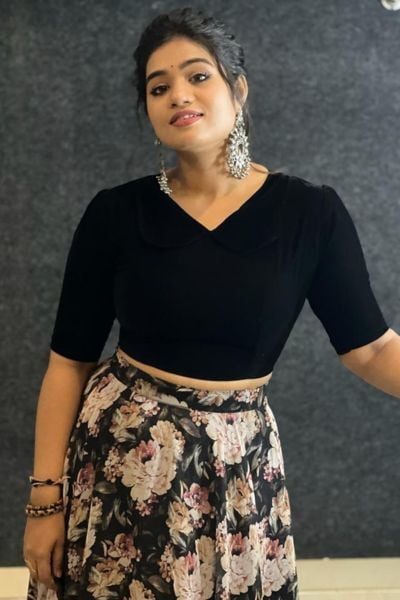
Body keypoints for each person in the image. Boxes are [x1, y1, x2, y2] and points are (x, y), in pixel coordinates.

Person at [23, 7, 397, 600]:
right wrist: (45, 501)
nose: (179, 94)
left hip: (239, 466)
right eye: (158, 87)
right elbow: (69, 363)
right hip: (123, 460)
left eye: (198, 76)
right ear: (148, 109)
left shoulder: (308, 213)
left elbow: (371, 349)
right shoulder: (115, 213)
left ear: (238, 90)